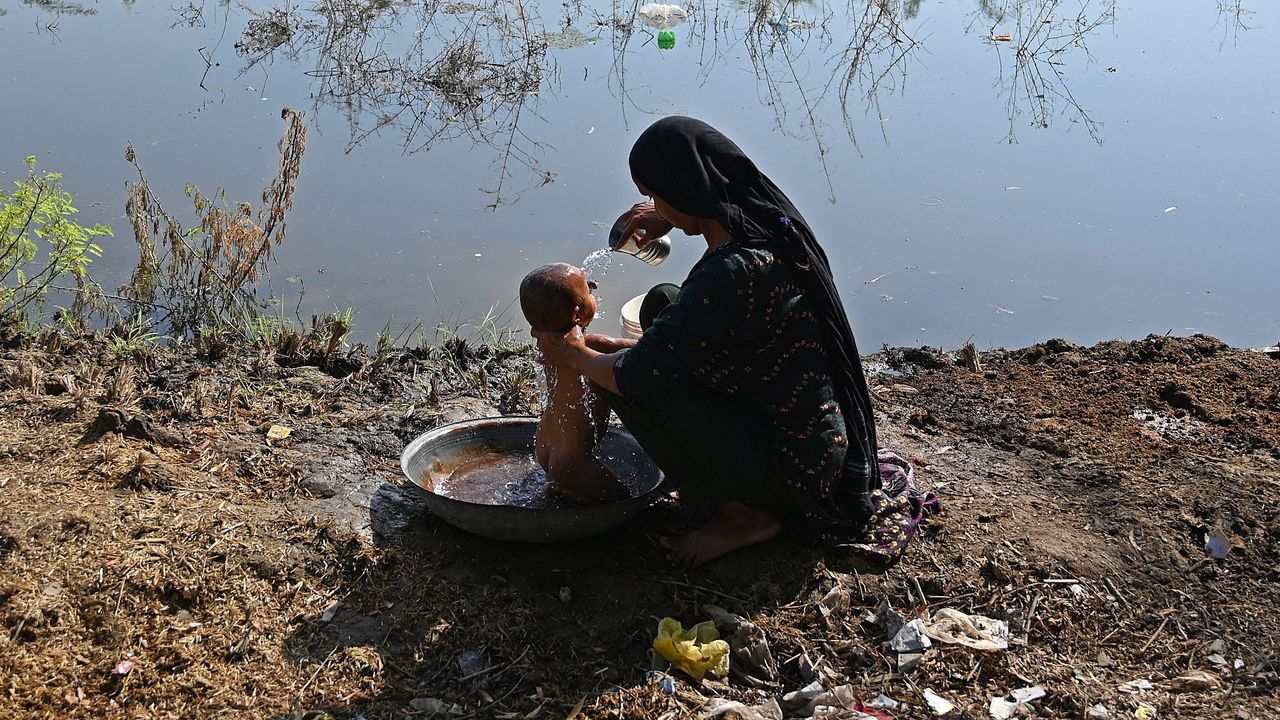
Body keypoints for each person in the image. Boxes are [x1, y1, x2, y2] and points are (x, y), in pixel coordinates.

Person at [534, 116, 937, 566]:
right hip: (811, 437)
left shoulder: (733, 273)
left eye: (656, 195)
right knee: (663, 302)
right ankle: (728, 478)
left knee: (636, 379)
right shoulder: (764, 223)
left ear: (687, 189)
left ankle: (743, 514)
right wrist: (667, 214)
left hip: (793, 470)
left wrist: (571, 351)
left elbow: (633, 376)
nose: (652, 205)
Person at [519, 263, 630, 506]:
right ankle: (574, 492)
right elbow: (647, 349)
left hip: (544, 445)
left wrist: (578, 295)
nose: (593, 291)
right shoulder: (595, 347)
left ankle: (563, 488)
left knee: (581, 485)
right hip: (573, 462)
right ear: (577, 314)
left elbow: (549, 309)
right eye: (588, 292)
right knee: (622, 500)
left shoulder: (545, 343)